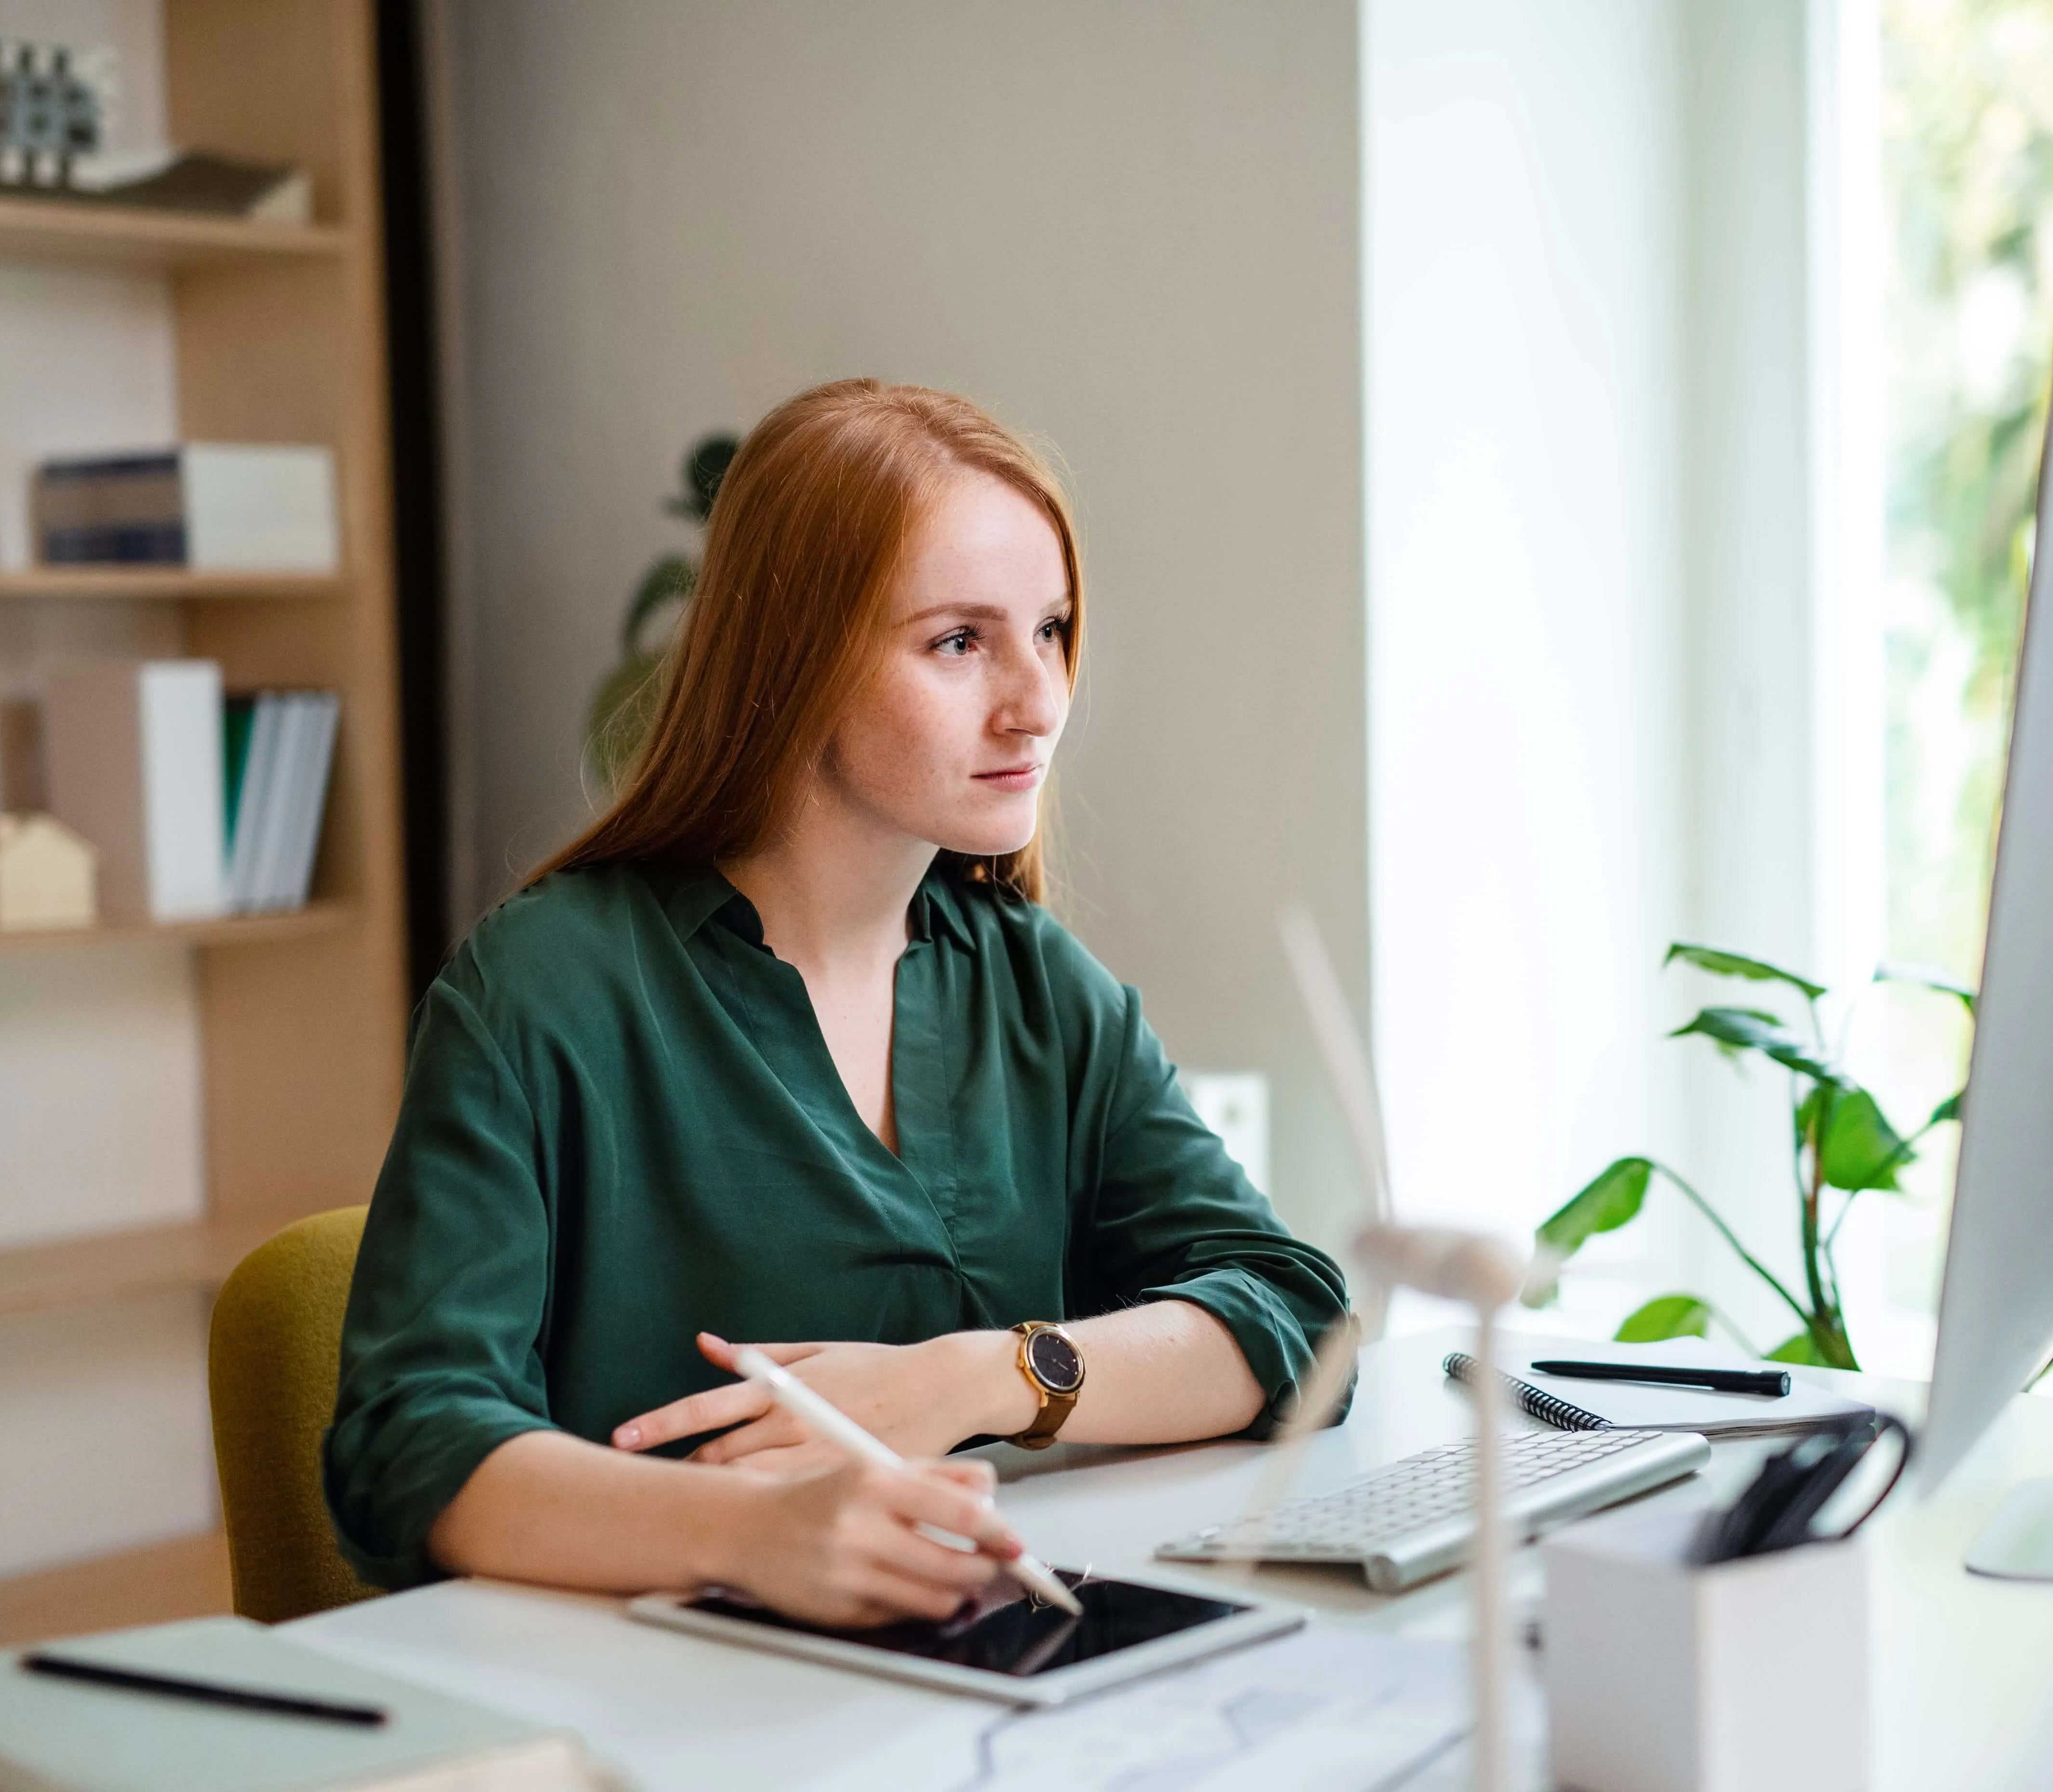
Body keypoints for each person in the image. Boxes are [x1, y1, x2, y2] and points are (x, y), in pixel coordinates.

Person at [324, 378, 1349, 1627]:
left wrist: (986, 1376)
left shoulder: (1033, 982)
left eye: (1052, 630)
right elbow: (406, 1442)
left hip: (987, 1686)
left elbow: (1292, 1312)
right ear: (798, 661)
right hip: (657, 1703)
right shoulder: (543, 990)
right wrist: (751, 1533)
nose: (1039, 701)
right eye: (959, 643)